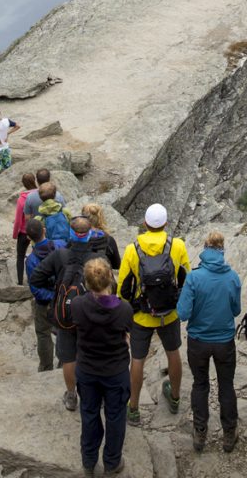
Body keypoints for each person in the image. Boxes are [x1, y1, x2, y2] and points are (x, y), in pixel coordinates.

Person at [29, 215, 113, 411]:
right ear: (89, 234)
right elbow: (109, 287)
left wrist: (56, 293)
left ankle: (71, 395)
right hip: (92, 314)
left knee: (68, 357)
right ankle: (95, 394)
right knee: (94, 354)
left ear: (71, 233)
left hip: (66, 314)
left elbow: (36, 278)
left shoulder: (60, 255)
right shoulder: (98, 259)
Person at [118, 203, 191, 426]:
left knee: (137, 360)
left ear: (145, 224)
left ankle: (133, 409)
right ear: (166, 224)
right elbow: (185, 278)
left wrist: (128, 311)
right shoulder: (176, 246)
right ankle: (175, 397)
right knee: (173, 353)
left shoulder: (133, 249)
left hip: (141, 315)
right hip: (169, 313)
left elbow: (123, 288)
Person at [177, 230, 242, 453]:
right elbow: (236, 309)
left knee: (200, 384)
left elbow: (183, 313)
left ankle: (200, 432)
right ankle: (229, 433)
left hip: (198, 341)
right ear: (222, 250)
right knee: (226, 386)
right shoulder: (232, 277)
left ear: (204, 249)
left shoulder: (194, 277)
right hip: (224, 341)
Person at [72, 257, 133, 478]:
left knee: (89, 413)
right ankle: (112, 462)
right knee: (115, 416)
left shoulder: (78, 305)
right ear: (111, 279)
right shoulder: (124, 309)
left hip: (87, 369)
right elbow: (127, 333)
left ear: (86, 283)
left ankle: (88, 462)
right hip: (114, 371)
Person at [25, 217, 67, 372]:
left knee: (43, 333)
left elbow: (34, 287)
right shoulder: (61, 246)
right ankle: (64, 360)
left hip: (44, 302)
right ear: (44, 230)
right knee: (64, 329)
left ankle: (46, 366)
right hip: (63, 297)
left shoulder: (31, 261)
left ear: (29, 238)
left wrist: (49, 296)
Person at [13, 173, 38, 284]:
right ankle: (35, 278)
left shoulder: (21, 199)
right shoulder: (41, 195)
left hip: (24, 231)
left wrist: (15, 234)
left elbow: (18, 219)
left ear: (23, 184)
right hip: (38, 230)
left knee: (20, 256)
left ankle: (19, 281)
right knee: (37, 254)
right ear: (34, 180)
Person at [81, 202, 122, 269]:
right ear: (100, 218)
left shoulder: (77, 239)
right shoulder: (109, 240)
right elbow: (117, 265)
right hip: (103, 277)